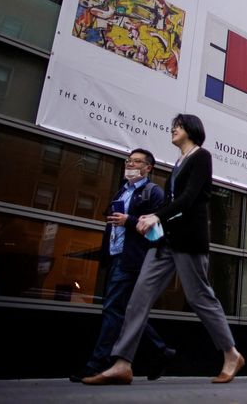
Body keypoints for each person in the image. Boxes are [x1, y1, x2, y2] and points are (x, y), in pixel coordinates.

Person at [83, 114, 244, 385]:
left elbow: (189, 198)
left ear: (191, 130)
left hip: (189, 241)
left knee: (200, 297)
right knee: (138, 298)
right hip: (165, 242)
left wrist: (156, 215)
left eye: (178, 126)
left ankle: (231, 354)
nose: (173, 129)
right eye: (173, 126)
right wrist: (153, 218)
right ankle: (122, 363)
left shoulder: (201, 156)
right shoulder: (180, 162)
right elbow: (174, 200)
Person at [70, 149, 175, 383]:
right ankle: (161, 351)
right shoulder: (122, 190)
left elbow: (159, 232)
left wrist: (130, 221)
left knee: (113, 311)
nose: (131, 165)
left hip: (133, 261)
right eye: (129, 161)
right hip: (117, 257)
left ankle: (95, 365)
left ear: (148, 168)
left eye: (137, 162)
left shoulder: (153, 193)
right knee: (127, 313)